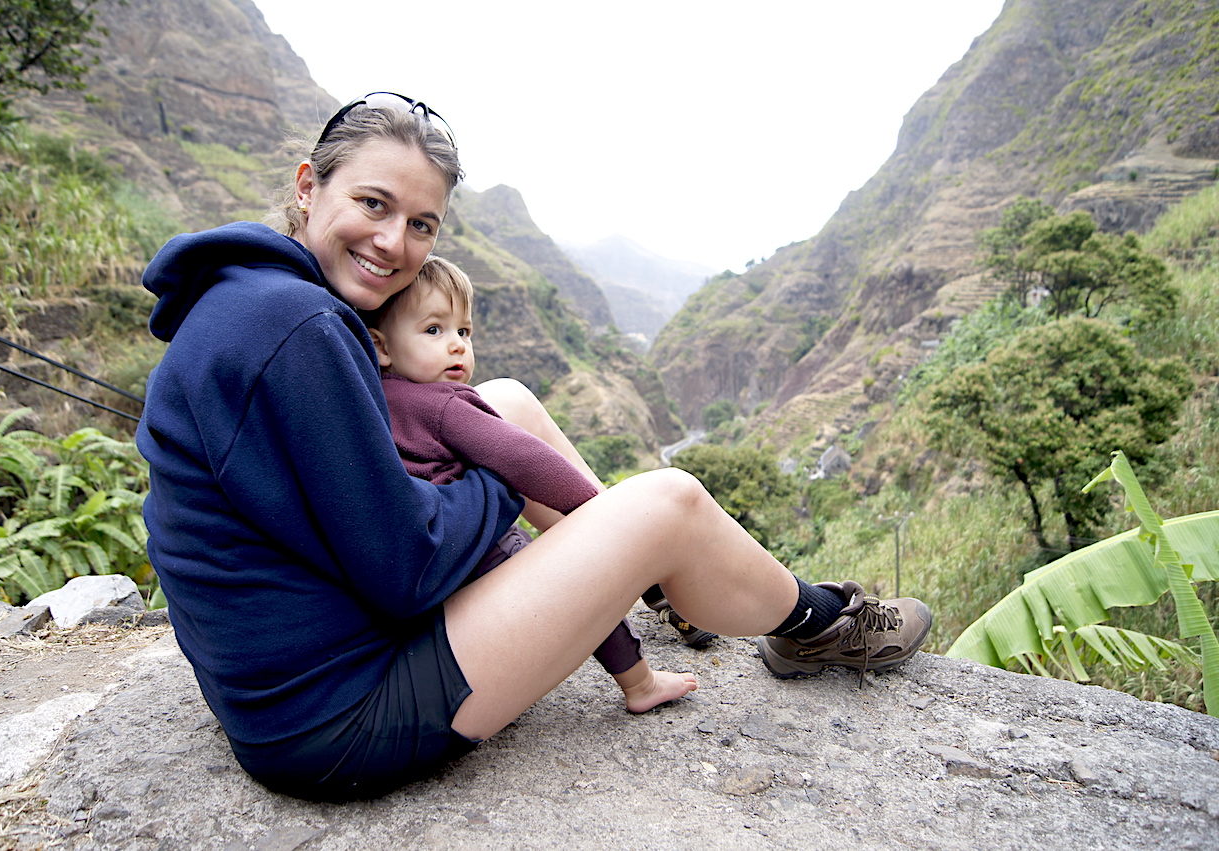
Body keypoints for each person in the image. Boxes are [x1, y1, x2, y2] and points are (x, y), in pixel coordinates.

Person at [136, 92, 932, 802]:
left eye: (421, 224)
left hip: (293, 667)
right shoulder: (300, 328)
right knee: (666, 498)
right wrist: (501, 476)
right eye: (372, 203)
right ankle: (813, 624)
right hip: (336, 716)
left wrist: (497, 453)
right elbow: (406, 569)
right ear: (309, 186)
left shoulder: (253, 293)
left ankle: (651, 583)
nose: (393, 242)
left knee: (499, 403)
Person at [365, 254, 695, 713]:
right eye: (434, 330)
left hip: (428, 585)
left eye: (464, 331)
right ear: (381, 347)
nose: (457, 346)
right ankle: (640, 683)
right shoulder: (445, 405)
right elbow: (526, 459)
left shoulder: (369, 402)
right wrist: (597, 515)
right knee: (586, 591)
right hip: (482, 555)